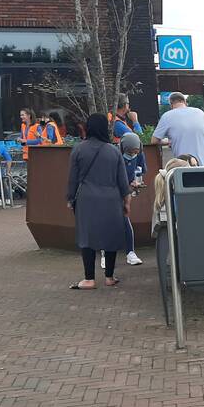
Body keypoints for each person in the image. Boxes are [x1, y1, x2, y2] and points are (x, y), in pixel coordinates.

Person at [67, 113, 131, 289]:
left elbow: (72, 178)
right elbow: (123, 181)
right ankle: (109, 277)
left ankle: (89, 279)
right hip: (111, 199)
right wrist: (126, 202)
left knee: (86, 237)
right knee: (110, 235)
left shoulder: (78, 149)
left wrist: (70, 198)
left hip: (86, 199)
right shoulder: (113, 151)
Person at [151, 92, 204, 166]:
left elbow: (154, 140)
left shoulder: (167, 116)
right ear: (185, 102)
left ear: (171, 104)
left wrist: (169, 141)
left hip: (185, 166)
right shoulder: (200, 112)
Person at [114, 132, 145, 266]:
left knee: (125, 219)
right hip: (112, 191)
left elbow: (140, 172)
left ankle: (130, 252)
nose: (133, 154)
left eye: (136, 151)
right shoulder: (115, 156)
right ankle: (105, 252)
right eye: (130, 152)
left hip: (127, 191)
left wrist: (135, 183)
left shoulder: (139, 155)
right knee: (107, 222)